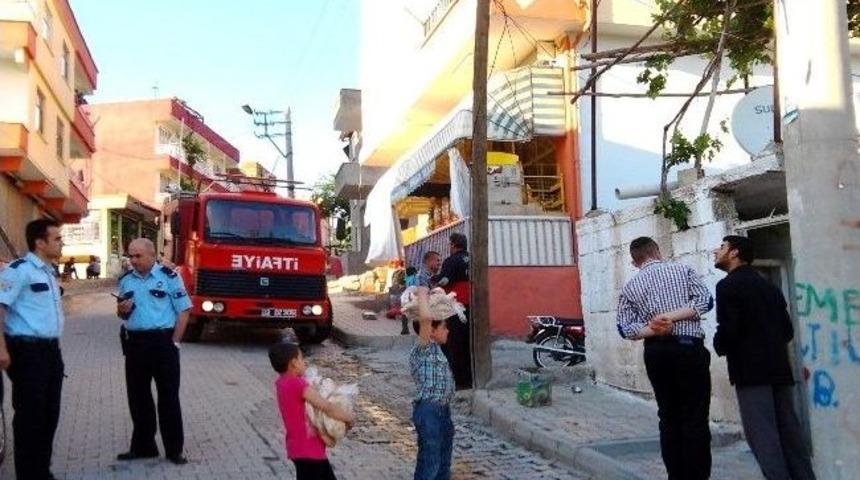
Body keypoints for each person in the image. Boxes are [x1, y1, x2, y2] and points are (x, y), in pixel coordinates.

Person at [713, 236, 816, 480]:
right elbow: (787, 330)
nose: (716, 251)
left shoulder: (727, 286)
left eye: (722, 247)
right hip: (779, 369)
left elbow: (730, 328)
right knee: (789, 433)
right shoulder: (768, 286)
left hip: (750, 372)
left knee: (762, 436)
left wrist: (720, 344)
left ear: (734, 253)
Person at [616, 236, 714, 480]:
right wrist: (671, 317)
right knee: (695, 416)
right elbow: (706, 301)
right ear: (657, 252)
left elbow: (625, 329)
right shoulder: (683, 270)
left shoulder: (630, 287)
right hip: (689, 348)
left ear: (634, 262)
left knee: (669, 416)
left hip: (656, 352)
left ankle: (676, 476)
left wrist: (655, 326)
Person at [115, 238, 192, 465]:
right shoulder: (126, 280)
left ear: (151, 255)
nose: (133, 260)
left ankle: (174, 450)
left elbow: (184, 310)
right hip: (135, 344)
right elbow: (122, 314)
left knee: (168, 397)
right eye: (130, 256)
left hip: (163, 343)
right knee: (138, 397)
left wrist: (175, 342)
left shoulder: (169, 277)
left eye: (138, 256)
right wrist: (121, 310)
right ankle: (143, 446)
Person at [0, 218, 66, 479]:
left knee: (50, 414)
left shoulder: (49, 272)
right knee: (30, 416)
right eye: (57, 239)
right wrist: (2, 350)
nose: (62, 243)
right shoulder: (19, 271)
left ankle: (42, 471)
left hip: (51, 352)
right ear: (40, 242)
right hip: (27, 352)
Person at [268, 341, 354, 480]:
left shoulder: (281, 382)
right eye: (301, 359)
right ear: (294, 363)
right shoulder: (297, 384)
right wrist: (348, 418)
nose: (304, 363)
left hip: (299, 448)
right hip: (309, 450)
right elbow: (326, 406)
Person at [410, 286, 455, 480]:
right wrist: (422, 293)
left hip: (443, 412)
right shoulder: (423, 350)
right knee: (430, 463)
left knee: (443, 464)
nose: (448, 330)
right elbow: (426, 319)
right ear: (431, 332)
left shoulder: (439, 351)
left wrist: (437, 294)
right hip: (429, 412)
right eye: (444, 327)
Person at [431, 234, 472, 390]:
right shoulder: (471, 259)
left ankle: (461, 382)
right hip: (472, 307)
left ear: (454, 245)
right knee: (468, 344)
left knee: (455, 345)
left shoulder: (452, 261)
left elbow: (445, 281)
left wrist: (435, 281)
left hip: (456, 307)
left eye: (449, 244)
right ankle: (470, 379)